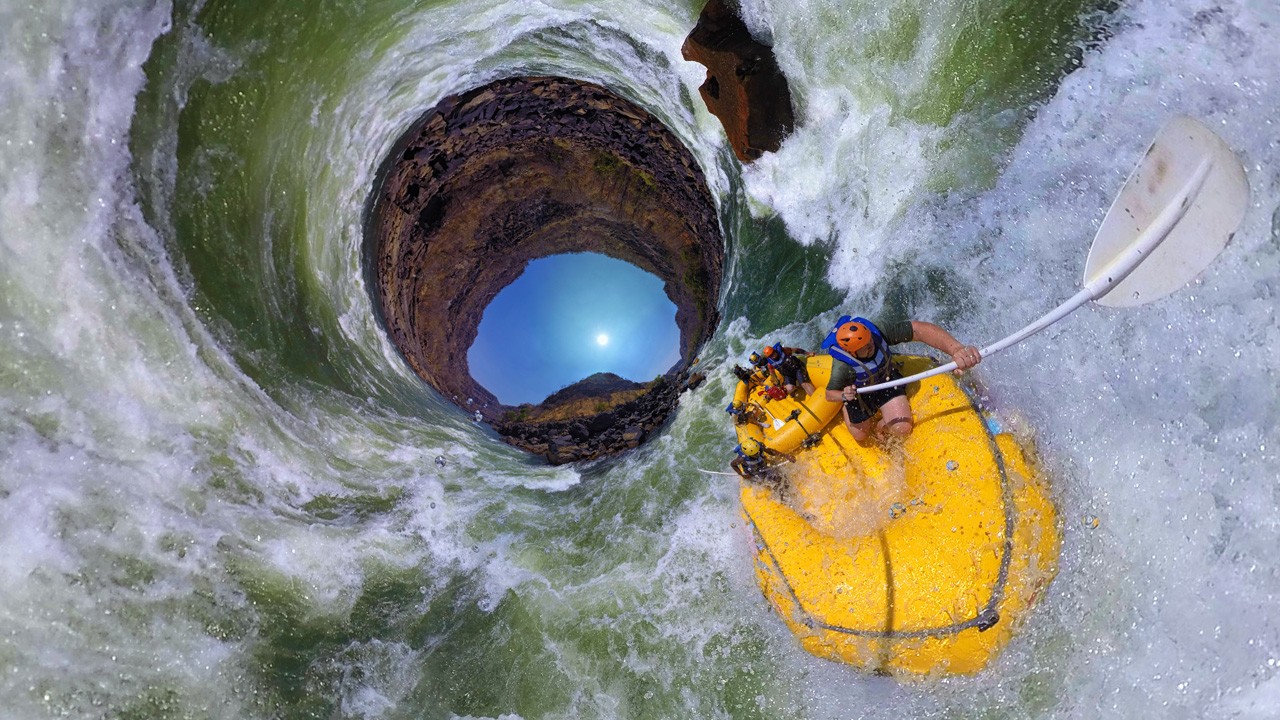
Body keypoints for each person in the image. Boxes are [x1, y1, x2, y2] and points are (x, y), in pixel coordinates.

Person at [823, 315, 981, 444]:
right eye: (866, 348)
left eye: (870, 342)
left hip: (886, 380)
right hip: (859, 393)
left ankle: (881, 427)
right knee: (860, 435)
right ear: (853, 353)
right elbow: (829, 394)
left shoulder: (877, 332)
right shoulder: (842, 366)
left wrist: (957, 349)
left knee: (902, 428)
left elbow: (918, 330)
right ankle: (846, 408)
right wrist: (845, 396)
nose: (872, 346)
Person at [730, 438, 795, 479]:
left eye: (757, 452)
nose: (757, 454)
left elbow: (771, 451)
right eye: (754, 454)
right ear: (748, 454)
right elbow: (733, 464)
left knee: (779, 475)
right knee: (773, 479)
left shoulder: (759, 446)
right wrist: (742, 474)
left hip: (762, 465)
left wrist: (786, 456)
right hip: (753, 471)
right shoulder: (742, 458)